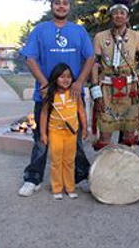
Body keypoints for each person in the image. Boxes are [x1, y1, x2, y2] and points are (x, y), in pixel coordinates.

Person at [18, 0, 94, 197]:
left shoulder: (78, 31)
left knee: (74, 139)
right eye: (57, 3)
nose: (61, 6)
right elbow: (30, 58)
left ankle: (80, 176)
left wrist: (79, 82)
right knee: (41, 139)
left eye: (65, 3)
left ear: (70, 7)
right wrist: (44, 83)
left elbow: (90, 57)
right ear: (52, 6)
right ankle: (33, 178)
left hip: (72, 95)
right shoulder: (41, 30)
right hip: (45, 96)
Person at [90, 0, 139, 149]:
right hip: (107, 88)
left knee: (129, 132)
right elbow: (94, 64)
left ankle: (128, 169)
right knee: (105, 132)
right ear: (111, 15)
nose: (118, 15)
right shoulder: (100, 37)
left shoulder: (136, 36)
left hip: (130, 88)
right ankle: (106, 170)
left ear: (127, 17)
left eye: (122, 13)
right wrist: (95, 90)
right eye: (115, 12)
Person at [40, 63, 88, 200]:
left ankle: (70, 187)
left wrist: (85, 128)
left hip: (71, 133)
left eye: (68, 76)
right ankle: (57, 188)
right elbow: (43, 114)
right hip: (55, 132)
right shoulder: (50, 94)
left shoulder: (74, 93)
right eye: (62, 77)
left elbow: (81, 111)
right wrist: (43, 134)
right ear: (55, 78)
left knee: (69, 161)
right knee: (56, 160)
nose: (66, 79)